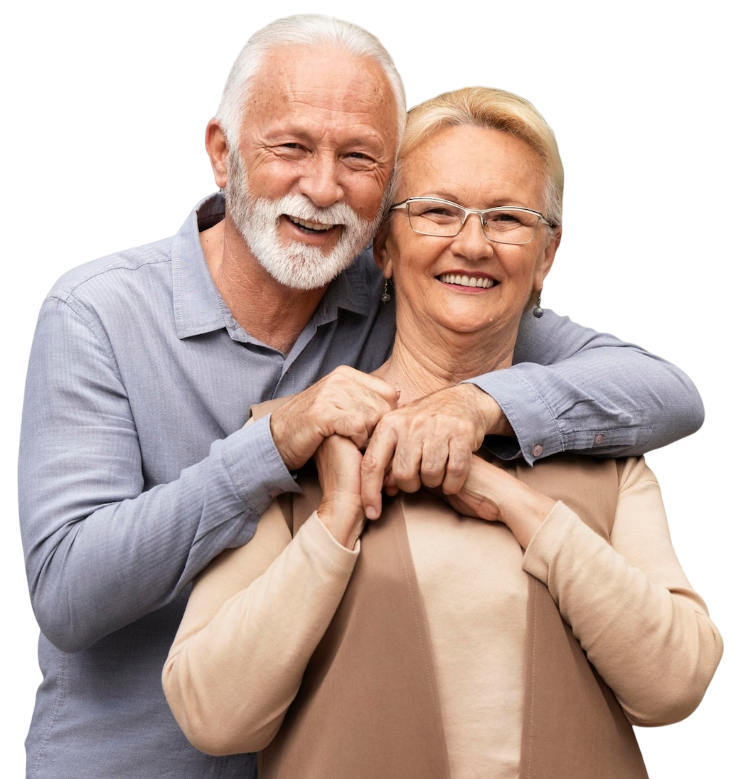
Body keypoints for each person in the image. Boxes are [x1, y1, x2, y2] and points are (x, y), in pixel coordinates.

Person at [20, 14, 704, 779]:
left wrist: (476, 405)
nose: (322, 186)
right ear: (222, 153)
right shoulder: (97, 312)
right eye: (290, 147)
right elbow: (69, 595)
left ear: (384, 205)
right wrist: (272, 447)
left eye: (359, 158)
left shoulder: (408, 285)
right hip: (134, 764)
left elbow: (666, 393)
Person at [163, 85, 723, 778]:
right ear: (383, 249)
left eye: (508, 218)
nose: (472, 243)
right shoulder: (291, 444)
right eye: (436, 211)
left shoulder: (608, 460)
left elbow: (672, 687)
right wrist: (335, 519)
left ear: (546, 255)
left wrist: (515, 501)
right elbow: (214, 716)